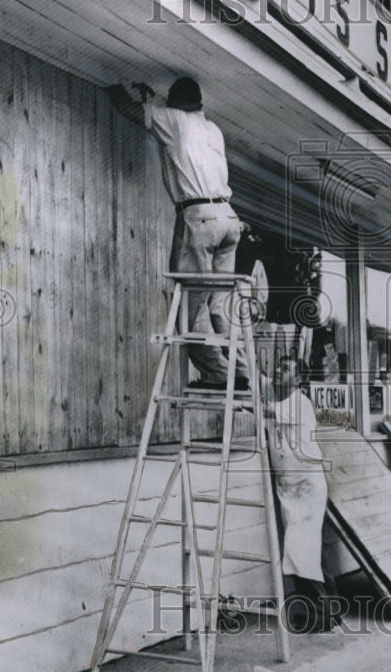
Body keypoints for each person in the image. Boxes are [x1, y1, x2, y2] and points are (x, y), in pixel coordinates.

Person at [107, 76, 249, 390]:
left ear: (175, 103)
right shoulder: (212, 129)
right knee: (219, 303)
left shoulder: (174, 120)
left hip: (200, 219)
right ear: (199, 103)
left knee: (189, 302)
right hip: (229, 217)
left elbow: (126, 109)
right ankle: (242, 371)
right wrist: (153, 104)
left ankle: (216, 373)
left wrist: (111, 82)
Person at [263, 354, 340, 632]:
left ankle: (322, 614)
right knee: (308, 550)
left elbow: (266, 411)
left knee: (301, 549)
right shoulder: (279, 400)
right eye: (278, 368)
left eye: (285, 370)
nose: (278, 373)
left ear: (297, 379)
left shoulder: (299, 402)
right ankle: (327, 609)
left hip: (306, 488)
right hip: (290, 488)